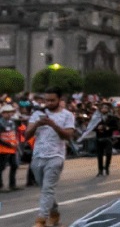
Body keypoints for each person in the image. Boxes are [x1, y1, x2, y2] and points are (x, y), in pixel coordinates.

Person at [24, 87, 75, 227]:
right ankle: (54, 213)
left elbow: (68, 135)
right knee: (45, 188)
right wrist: (37, 125)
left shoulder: (67, 115)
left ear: (59, 99)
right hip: (38, 156)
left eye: (52, 100)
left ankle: (41, 220)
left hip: (56, 156)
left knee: (48, 189)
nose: (49, 103)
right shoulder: (37, 114)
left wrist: (53, 125)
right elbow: (26, 135)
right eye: (46, 100)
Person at [0, 103, 20, 190]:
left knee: (14, 165)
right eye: (7, 112)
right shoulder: (0, 123)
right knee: (1, 167)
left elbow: (13, 133)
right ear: (2, 113)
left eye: (10, 112)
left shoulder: (12, 122)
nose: (9, 114)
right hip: (3, 148)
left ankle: (13, 184)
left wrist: (16, 142)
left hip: (12, 148)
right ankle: (0, 186)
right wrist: (9, 144)